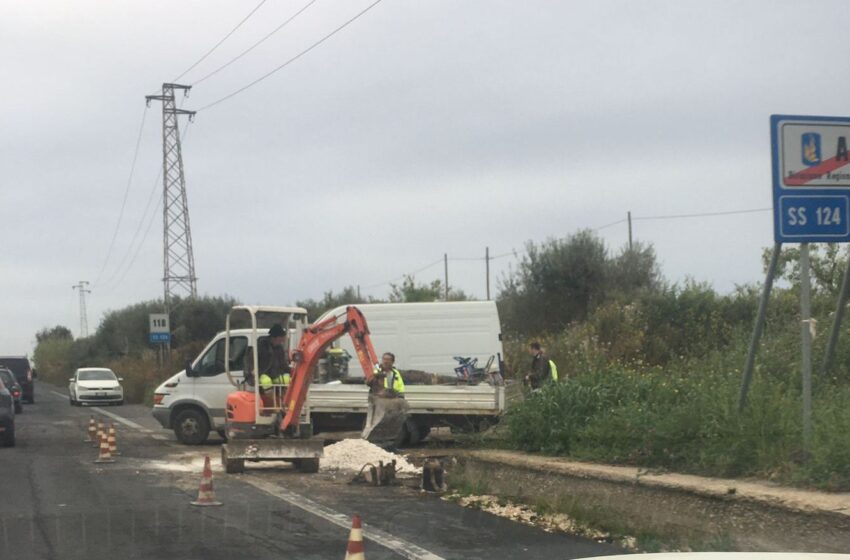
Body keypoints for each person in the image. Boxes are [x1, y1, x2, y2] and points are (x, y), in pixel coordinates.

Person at [256, 324, 291, 408]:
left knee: (288, 379)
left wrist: (292, 371)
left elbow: (283, 364)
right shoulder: (261, 346)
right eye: (281, 338)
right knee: (266, 381)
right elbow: (251, 359)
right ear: (276, 337)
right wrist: (252, 370)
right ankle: (272, 405)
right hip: (262, 373)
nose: (283, 340)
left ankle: (286, 403)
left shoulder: (279, 348)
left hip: (275, 374)